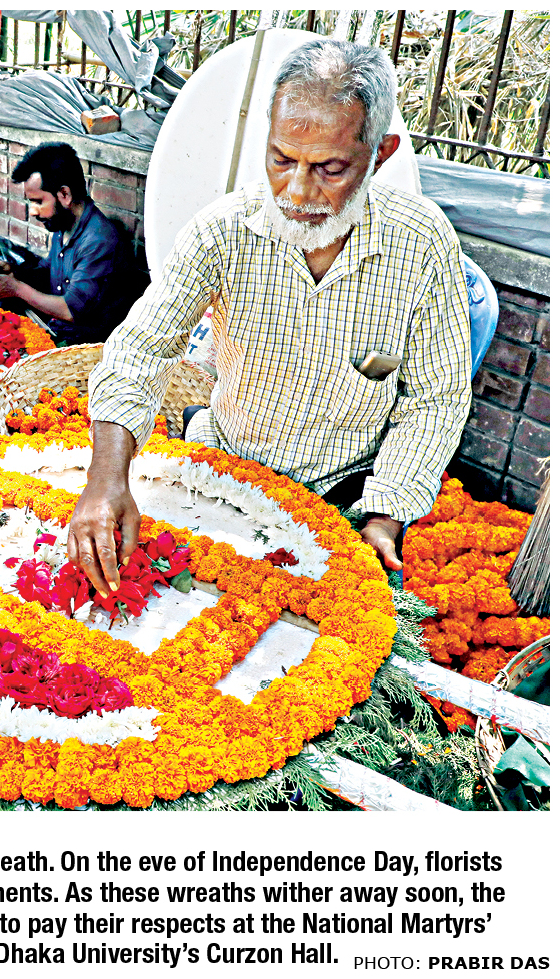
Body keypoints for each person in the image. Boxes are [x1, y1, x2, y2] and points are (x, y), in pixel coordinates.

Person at [68, 39, 471, 597]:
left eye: (330, 168)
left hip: (343, 495)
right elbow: (142, 349)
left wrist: (383, 515)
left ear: (380, 155)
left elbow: (436, 399)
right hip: (222, 469)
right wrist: (106, 477)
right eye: (282, 159)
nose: (297, 192)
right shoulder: (222, 230)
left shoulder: (422, 244)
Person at [0, 142, 144, 345]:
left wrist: (17, 289)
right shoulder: (62, 224)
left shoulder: (98, 240)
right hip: (55, 328)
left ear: (65, 195)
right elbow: (48, 272)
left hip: (84, 345)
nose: (33, 211)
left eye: (39, 202)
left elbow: (71, 310)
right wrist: (16, 273)